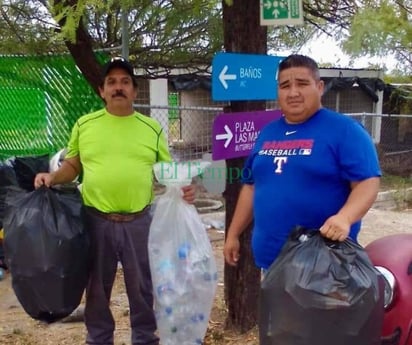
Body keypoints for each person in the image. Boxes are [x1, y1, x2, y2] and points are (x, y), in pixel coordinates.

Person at [34, 57, 195, 345]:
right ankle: (98, 338)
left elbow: (167, 171)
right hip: (96, 221)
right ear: (101, 90)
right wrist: (53, 177)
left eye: (124, 82)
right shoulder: (85, 125)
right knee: (96, 288)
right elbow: (73, 166)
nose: (118, 87)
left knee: (142, 288)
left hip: (139, 221)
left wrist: (183, 187)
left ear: (134, 90)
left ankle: (145, 338)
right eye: (112, 82)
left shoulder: (152, 129)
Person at [224, 54, 381, 271]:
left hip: (325, 266)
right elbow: (251, 187)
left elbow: (367, 182)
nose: (293, 92)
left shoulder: (345, 131)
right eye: (285, 85)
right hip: (271, 264)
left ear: (320, 87)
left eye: (302, 84)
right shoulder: (267, 133)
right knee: (275, 307)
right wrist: (233, 234)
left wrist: (345, 218)